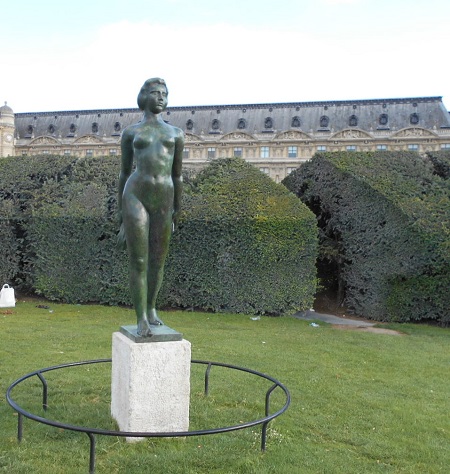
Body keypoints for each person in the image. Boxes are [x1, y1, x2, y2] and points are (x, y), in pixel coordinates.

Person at [117, 78, 184, 336]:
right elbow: (123, 174)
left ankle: (152, 308)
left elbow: (178, 175)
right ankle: (141, 317)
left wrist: (178, 208)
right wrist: (120, 214)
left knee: (158, 261)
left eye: (164, 94)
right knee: (140, 260)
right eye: (155, 93)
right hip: (135, 196)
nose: (161, 97)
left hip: (164, 198)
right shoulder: (131, 132)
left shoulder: (176, 133)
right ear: (144, 97)